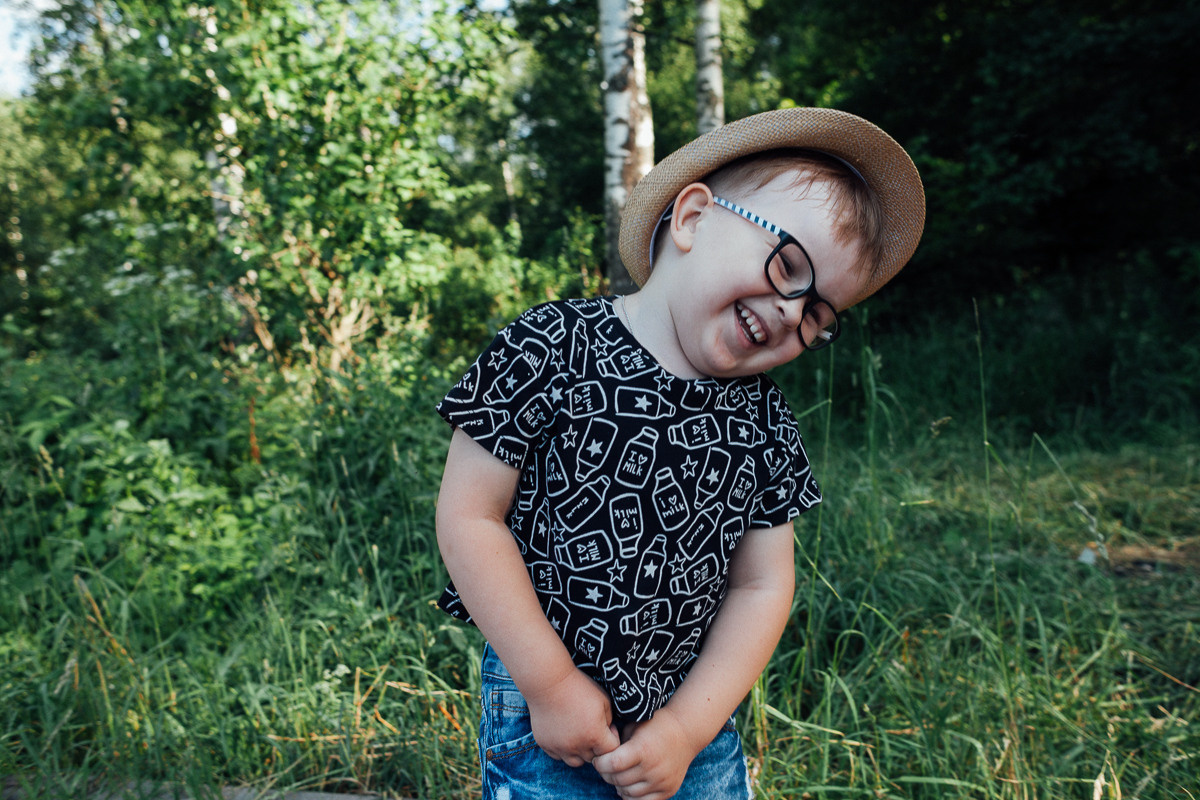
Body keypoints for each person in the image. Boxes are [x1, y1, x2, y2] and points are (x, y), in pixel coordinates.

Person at [434, 107, 925, 799]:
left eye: (818, 314)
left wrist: (687, 731)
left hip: (691, 722)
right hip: (545, 711)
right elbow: (470, 517)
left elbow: (763, 585)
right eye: (788, 267)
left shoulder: (762, 421)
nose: (792, 313)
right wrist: (549, 683)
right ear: (693, 218)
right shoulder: (550, 347)